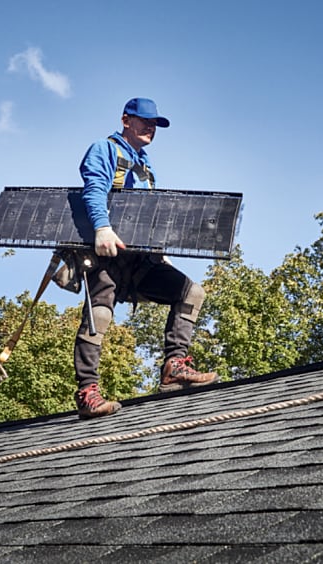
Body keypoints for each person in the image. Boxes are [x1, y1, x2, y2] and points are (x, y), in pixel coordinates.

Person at [72, 97, 218, 419]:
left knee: (191, 292)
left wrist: (159, 251)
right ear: (126, 119)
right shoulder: (105, 149)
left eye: (155, 124)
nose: (150, 127)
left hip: (141, 260)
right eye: (144, 121)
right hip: (107, 254)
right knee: (100, 316)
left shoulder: (145, 165)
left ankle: (174, 369)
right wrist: (102, 229)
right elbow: (94, 189)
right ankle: (88, 392)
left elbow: (149, 215)